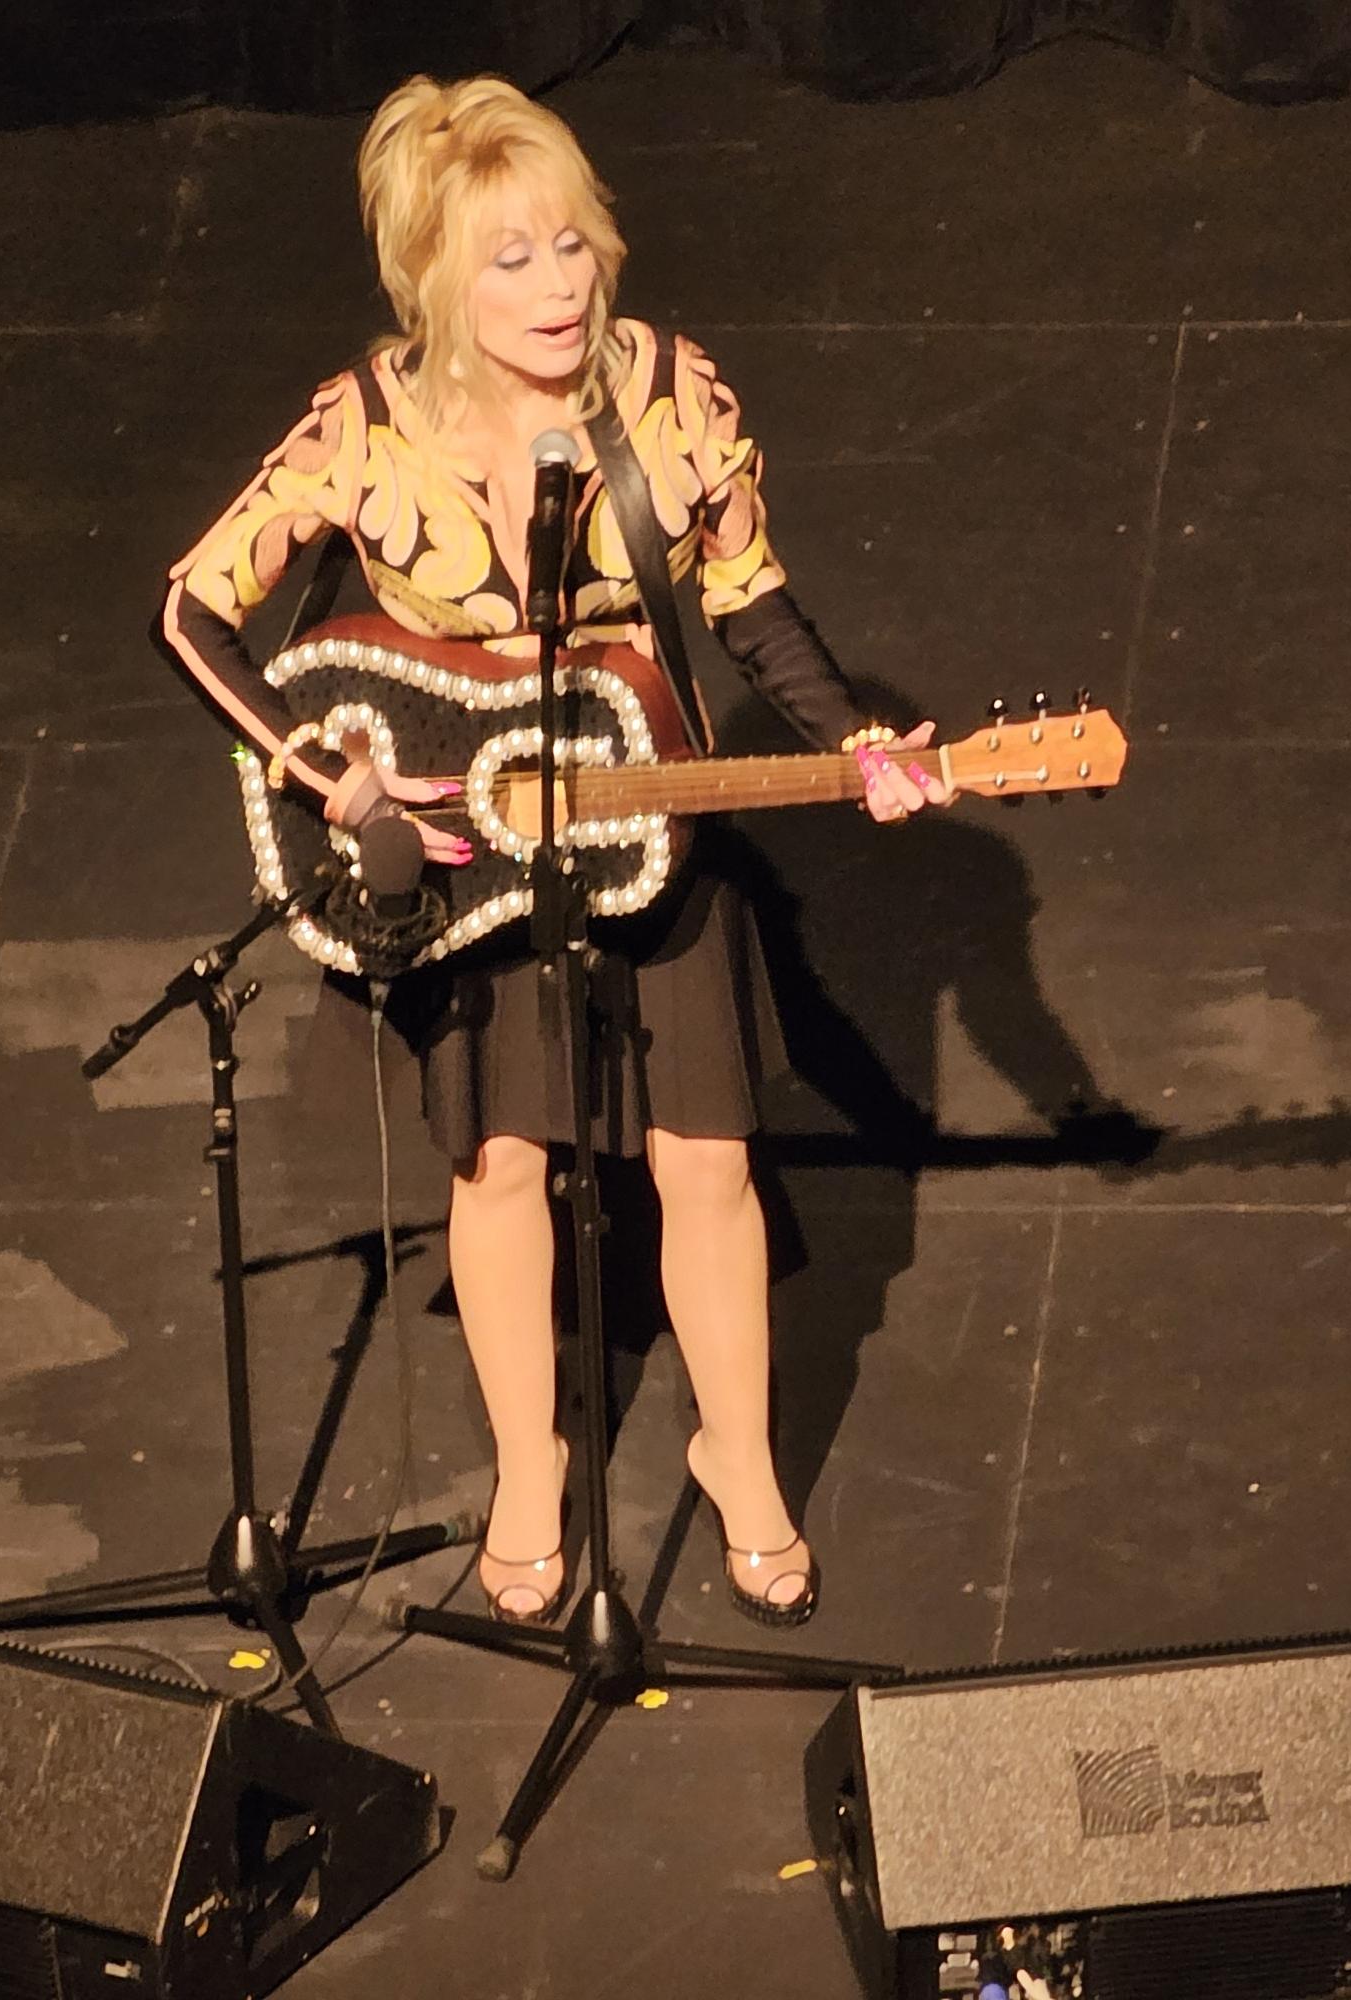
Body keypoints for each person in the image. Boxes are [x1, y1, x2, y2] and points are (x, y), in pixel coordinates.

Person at [161, 73, 950, 1628]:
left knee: (709, 1162)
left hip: (643, 814)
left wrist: (851, 737)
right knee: (500, 1159)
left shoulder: (664, 393)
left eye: (573, 245)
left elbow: (749, 599)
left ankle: (740, 1453)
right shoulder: (365, 427)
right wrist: (314, 761)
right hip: (465, 847)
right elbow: (192, 608)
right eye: (511, 258)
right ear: (437, 282)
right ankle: (532, 1467)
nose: (560, 284)